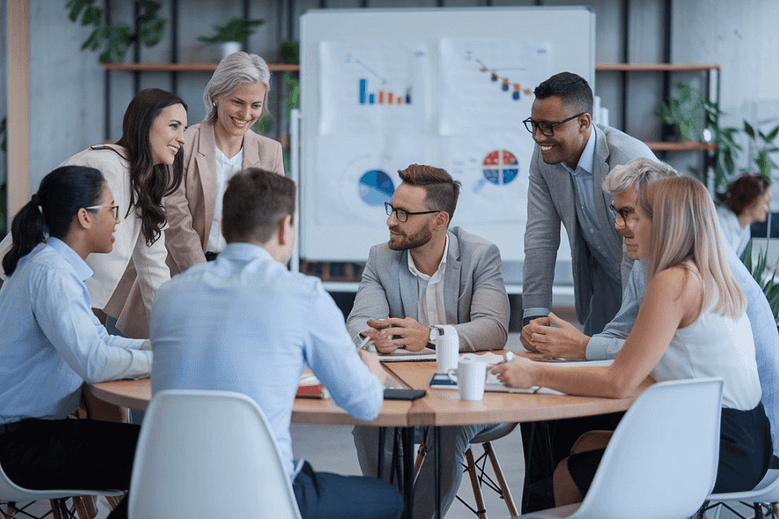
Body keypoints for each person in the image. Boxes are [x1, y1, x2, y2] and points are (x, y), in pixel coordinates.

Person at [496, 176, 773, 504]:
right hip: (749, 440)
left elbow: (619, 381)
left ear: (664, 222)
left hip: (719, 447)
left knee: (567, 473)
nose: (622, 226)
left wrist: (535, 374)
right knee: (587, 442)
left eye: (633, 216)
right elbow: (647, 370)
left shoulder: (674, 282)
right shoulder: (708, 276)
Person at [149, 168, 404, 519]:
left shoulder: (169, 294)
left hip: (164, 497)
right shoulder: (302, 295)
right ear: (286, 227)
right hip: (261, 500)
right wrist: (372, 371)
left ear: (223, 227)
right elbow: (363, 406)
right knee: (390, 499)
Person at [518, 71, 656, 510]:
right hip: (604, 294)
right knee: (549, 407)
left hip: (648, 293)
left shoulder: (630, 160)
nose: (540, 137)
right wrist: (534, 318)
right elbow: (540, 237)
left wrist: (593, 343)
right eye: (534, 125)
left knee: (598, 388)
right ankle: (545, 506)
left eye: (550, 127)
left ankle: (592, 496)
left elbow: (641, 254)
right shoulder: (545, 160)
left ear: (584, 122)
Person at [347, 164, 510, 519]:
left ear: (439, 220)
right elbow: (359, 322)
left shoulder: (480, 255)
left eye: (403, 214)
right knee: (370, 422)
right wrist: (374, 339)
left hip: (471, 397)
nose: (391, 221)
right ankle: (391, 512)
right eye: (391, 209)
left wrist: (431, 337)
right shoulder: (381, 256)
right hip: (406, 390)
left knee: (451, 423)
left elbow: (494, 327)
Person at [0, 166, 152, 519]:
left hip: (30, 435)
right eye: (112, 210)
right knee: (163, 458)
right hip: (20, 447)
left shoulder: (49, 266)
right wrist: (168, 361)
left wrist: (154, 349)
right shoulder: (52, 274)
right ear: (85, 217)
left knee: (161, 452)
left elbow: (99, 341)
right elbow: (95, 362)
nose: (117, 221)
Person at [0, 88, 187, 340]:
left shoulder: (148, 182)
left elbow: (153, 266)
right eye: (174, 126)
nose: (182, 138)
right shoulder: (106, 167)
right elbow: (62, 242)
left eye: (184, 129)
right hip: (33, 289)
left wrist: (172, 334)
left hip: (77, 300)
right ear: (144, 124)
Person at [717, 174, 772, 257]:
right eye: (765, 203)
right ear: (750, 201)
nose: (767, 209)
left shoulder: (745, 228)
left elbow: (734, 264)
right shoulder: (721, 224)